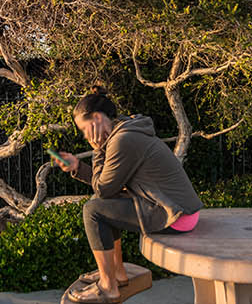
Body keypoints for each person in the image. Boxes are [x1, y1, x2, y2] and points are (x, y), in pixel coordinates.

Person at [54, 90, 203, 303]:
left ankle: (108, 286)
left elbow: (104, 189)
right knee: (100, 206)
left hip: (175, 215)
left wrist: (97, 151)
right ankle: (117, 273)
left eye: (84, 130)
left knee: (93, 210)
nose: (86, 137)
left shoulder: (123, 139)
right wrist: (78, 167)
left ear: (96, 118)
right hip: (177, 209)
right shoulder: (125, 130)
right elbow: (109, 189)